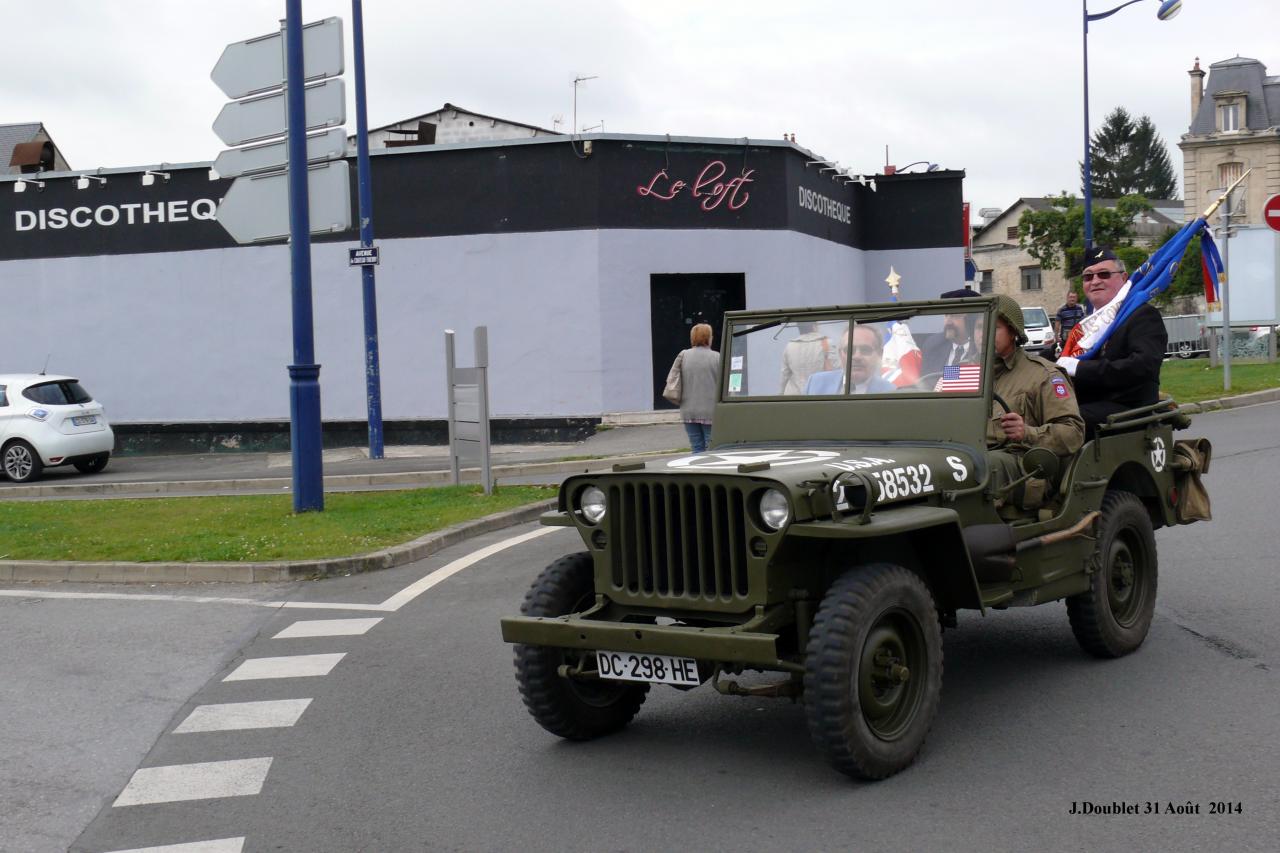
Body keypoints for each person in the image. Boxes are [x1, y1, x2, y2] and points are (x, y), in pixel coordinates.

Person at [1055, 246, 1167, 436]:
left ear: (1123, 279)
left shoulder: (1142, 315)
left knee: (1062, 425)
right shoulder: (1088, 324)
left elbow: (1142, 366)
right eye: (1088, 277)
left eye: (1104, 274)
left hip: (1127, 409)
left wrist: (1080, 368)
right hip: (1087, 403)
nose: (1095, 281)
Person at [987, 295, 1084, 456]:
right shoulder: (965, 372)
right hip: (966, 460)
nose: (983, 334)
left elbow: (1073, 433)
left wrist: (1027, 433)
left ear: (1013, 332)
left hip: (1019, 467)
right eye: (978, 327)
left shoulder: (1044, 375)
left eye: (994, 327)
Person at [669, 323, 720, 453]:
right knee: (712, 447)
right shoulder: (717, 357)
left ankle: (697, 470)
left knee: (696, 446)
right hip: (711, 411)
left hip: (688, 410)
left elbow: (672, 378)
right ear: (708, 338)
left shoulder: (683, 355)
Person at [804, 324, 897, 394]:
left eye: (865, 350)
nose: (856, 356)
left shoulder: (891, 392)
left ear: (879, 354)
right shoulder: (815, 384)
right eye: (849, 350)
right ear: (840, 354)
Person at [921, 289, 978, 375]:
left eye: (954, 315)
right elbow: (923, 383)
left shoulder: (981, 348)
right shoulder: (932, 346)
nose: (948, 322)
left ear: (971, 319)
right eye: (946, 315)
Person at [780, 322, 833, 395]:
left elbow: (784, 376)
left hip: (793, 399)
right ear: (814, 326)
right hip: (819, 397)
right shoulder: (826, 343)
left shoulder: (789, 346)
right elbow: (837, 369)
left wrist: (780, 396)